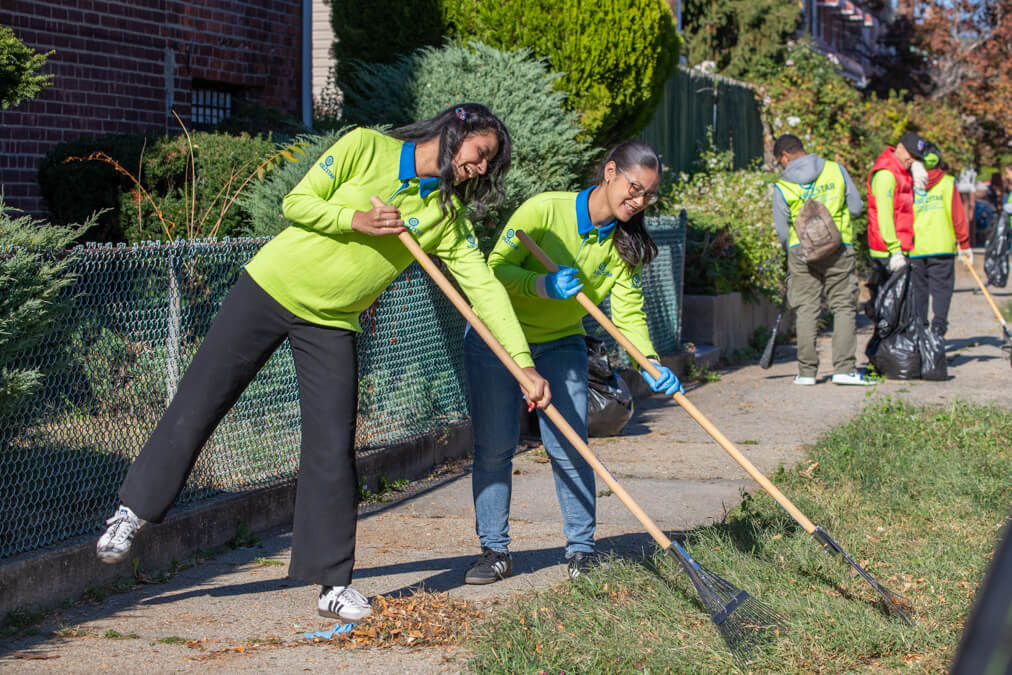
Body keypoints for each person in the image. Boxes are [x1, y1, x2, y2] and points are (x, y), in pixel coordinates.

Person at [94, 103, 552, 621]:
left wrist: (522, 364)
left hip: (332, 321)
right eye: (481, 153)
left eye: (490, 163)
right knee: (201, 400)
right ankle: (132, 512)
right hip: (270, 289)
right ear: (455, 131)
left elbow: (484, 290)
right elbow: (297, 202)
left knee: (332, 447)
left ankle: (333, 585)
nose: (482, 168)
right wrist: (357, 220)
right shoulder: (365, 146)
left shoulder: (445, 216)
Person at [462, 140, 682, 584]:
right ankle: (494, 551)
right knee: (495, 447)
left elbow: (628, 312)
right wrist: (542, 285)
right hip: (497, 337)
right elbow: (495, 270)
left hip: (560, 342)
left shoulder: (622, 243)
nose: (639, 201)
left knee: (571, 445)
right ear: (610, 172)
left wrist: (649, 362)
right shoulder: (544, 211)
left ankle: (582, 551)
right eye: (634, 188)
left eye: (648, 195)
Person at [771, 134, 869, 386]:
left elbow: (782, 230)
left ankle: (806, 373)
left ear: (785, 156)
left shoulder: (782, 186)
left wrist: (793, 249)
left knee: (806, 308)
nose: (781, 167)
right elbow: (856, 207)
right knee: (843, 306)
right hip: (838, 245)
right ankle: (844, 369)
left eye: (779, 162)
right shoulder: (835, 170)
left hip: (801, 250)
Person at [909, 144, 972, 337]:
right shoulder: (947, 182)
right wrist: (964, 244)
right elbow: (957, 216)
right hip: (942, 246)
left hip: (915, 247)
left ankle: (920, 331)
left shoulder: (909, 182)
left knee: (918, 292)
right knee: (942, 290)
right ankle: (938, 329)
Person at [864, 133, 927, 308]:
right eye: (910, 155)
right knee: (892, 309)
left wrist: (917, 168)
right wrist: (895, 250)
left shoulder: (903, 172)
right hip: (887, 252)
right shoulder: (886, 174)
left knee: (900, 308)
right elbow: (884, 215)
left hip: (899, 249)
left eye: (916, 157)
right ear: (899, 148)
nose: (912, 160)